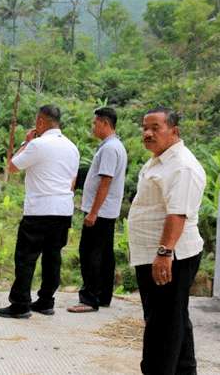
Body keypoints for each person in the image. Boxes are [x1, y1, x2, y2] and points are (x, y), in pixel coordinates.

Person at [129, 107, 206, 375]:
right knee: (174, 321)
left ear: (174, 131)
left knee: (162, 328)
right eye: (145, 128)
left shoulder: (182, 166)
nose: (148, 134)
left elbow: (178, 213)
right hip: (157, 254)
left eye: (155, 128)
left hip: (171, 256)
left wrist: (164, 254)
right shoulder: (160, 160)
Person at [0, 105, 80, 319]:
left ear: (41, 122)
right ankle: (46, 301)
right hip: (63, 209)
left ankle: (20, 304)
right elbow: (72, 180)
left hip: (39, 209)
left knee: (26, 257)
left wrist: (27, 141)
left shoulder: (38, 145)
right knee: (53, 257)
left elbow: (12, 166)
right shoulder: (72, 147)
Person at [68, 107, 127, 314]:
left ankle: (89, 298)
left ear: (104, 123)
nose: (93, 127)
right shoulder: (113, 146)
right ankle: (103, 296)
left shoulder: (110, 149)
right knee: (104, 255)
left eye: (95, 123)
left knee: (90, 253)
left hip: (100, 212)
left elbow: (105, 181)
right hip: (106, 211)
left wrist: (93, 212)